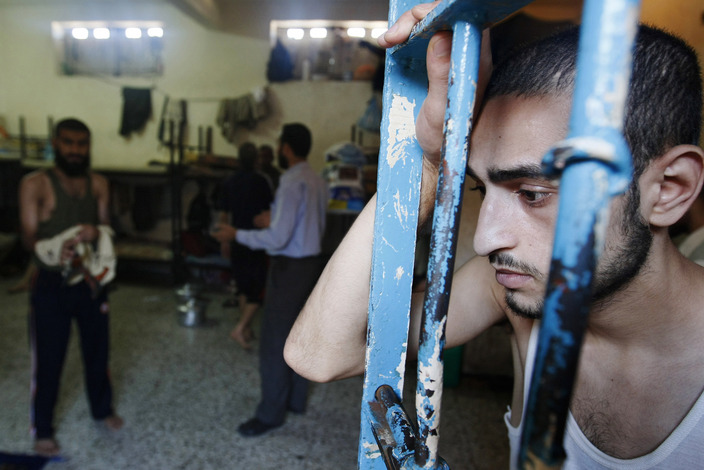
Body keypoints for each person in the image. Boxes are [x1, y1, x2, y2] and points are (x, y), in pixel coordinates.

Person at [285, 3, 704, 468]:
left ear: (668, 190)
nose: (485, 241)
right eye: (481, 189)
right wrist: (427, 163)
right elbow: (319, 354)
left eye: (532, 193)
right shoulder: (514, 294)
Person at [212, 123, 328, 437]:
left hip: (290, 269)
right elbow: (302, 222)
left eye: (279, 145)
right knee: (302, 335)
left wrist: (237, 234)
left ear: (286, 147)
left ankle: (270, 415)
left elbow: (278, 238)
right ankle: (295, 400)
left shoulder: (291, 181)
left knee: (275, 341)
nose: (277, 150)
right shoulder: (317, 179)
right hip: (312, 265)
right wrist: (272, 218)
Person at [19, 118, 123, 457]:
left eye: (82, 144)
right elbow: (29, 236)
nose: (76, 150)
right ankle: (43, 429)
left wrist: (98, 233)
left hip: (90, 279)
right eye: (68, 143)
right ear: (55, 144)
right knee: (48, 357)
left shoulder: (99, 184)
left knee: (98, 349)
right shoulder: (35, 185)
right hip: (51, 283)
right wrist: (53, 248)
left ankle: (102, 409)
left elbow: (108, 228)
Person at [217, 142, 274, 349]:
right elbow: (270, 213)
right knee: (257, 289)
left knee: (242, 285)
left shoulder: (229, 181)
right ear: (256, 159)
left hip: (234, 238)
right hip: (256, 240)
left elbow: (223, 214)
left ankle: (246, 327)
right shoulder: (262, 181)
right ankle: (241, 328)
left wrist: (224, 239)